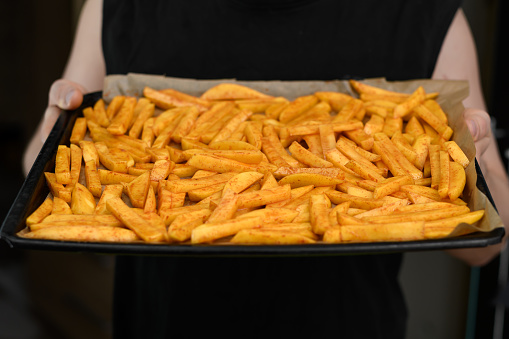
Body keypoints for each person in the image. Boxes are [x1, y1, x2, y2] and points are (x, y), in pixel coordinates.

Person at [23, 0, 509, 338]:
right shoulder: (122, 9)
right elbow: (38, 185)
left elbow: (488, 245)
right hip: (164, 325)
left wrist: (475, 149)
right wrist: (55, 126)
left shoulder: (425, 14)